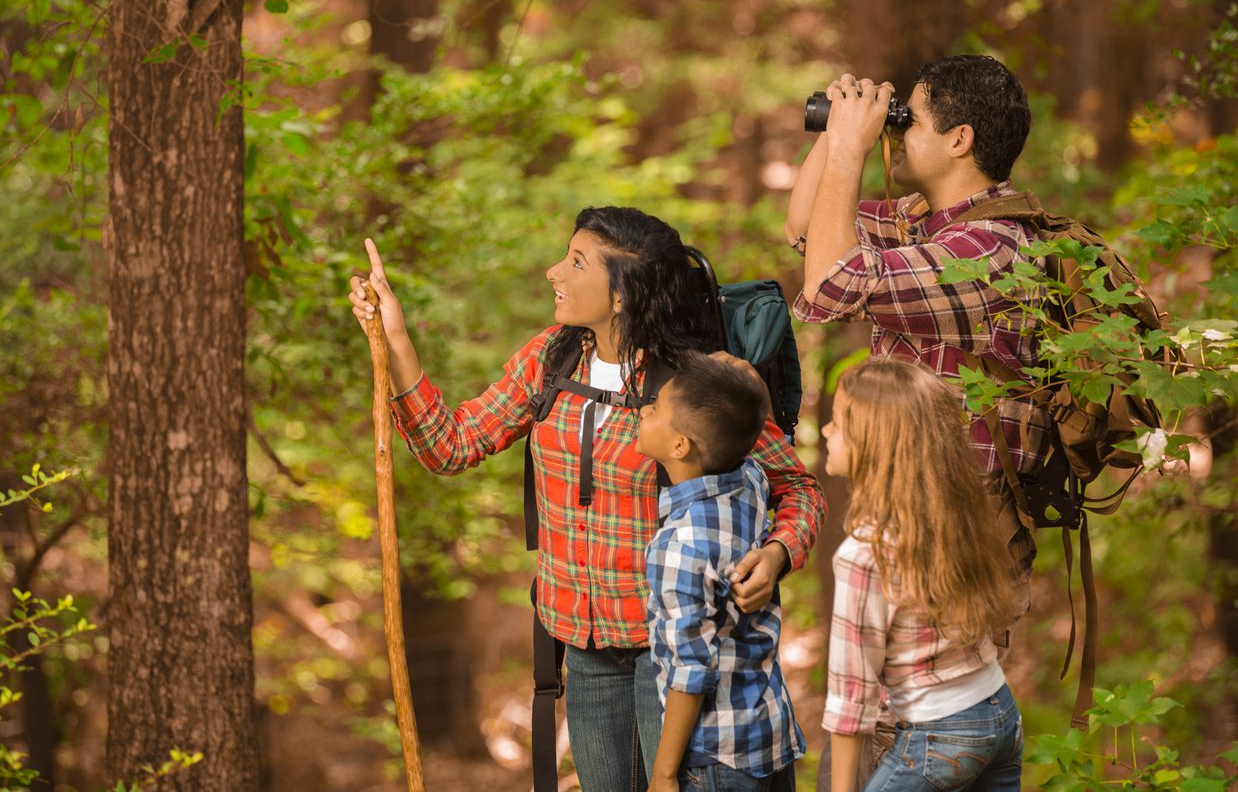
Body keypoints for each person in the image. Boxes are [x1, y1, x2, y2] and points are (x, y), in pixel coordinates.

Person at [347, 206, 823, 792]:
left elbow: (796, 487)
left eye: (576, 262)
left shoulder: (689, 382)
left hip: (671, 652)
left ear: (621, 295)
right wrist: (394, 335)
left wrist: (778, 553)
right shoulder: (552, 359)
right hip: (584, 646)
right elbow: (451, 445)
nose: (554, 272)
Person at [785, 55, 1047, 631]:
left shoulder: (990, 249)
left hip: (956, 543)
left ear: (959, 139)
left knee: (939, 717)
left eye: (912, 118)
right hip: (915, 522)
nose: (897, 129)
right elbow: (807, 229)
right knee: (893, 716)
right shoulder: (931, 221)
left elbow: (830, 285)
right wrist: (839, 133)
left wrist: (854, 148)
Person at [821, 358, 1023, 792]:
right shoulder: (952, 516)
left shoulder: (865, 552)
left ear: (873, 444)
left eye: (837, 423)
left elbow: (850, 697)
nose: (824, 431)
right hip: (1000, 711)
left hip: (941, 734)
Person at [637, 351, 805, 792]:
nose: (643, 409)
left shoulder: (678, 546)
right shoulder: (751, 482)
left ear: (680, 446)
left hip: (714, 756)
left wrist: (664, 772)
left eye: (654, 408)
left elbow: (690, 671)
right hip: (769, 731)